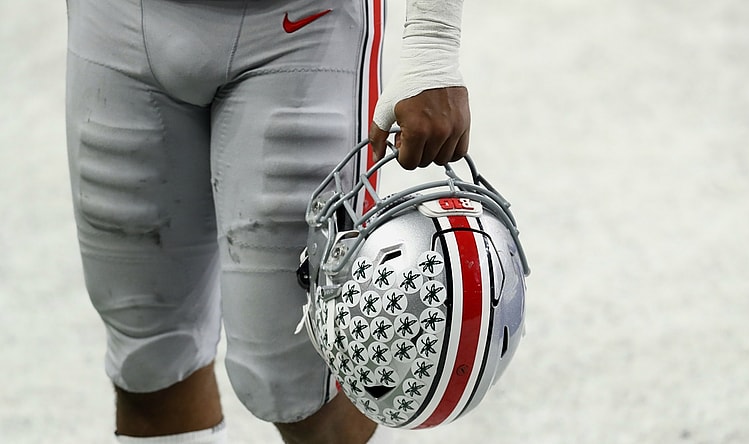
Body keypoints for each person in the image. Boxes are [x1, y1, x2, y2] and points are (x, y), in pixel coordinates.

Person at [65, 0, 470, 442]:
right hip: (113, 18)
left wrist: (434, 36)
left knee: (307, 387)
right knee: (149, 359)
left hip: (300, 26)